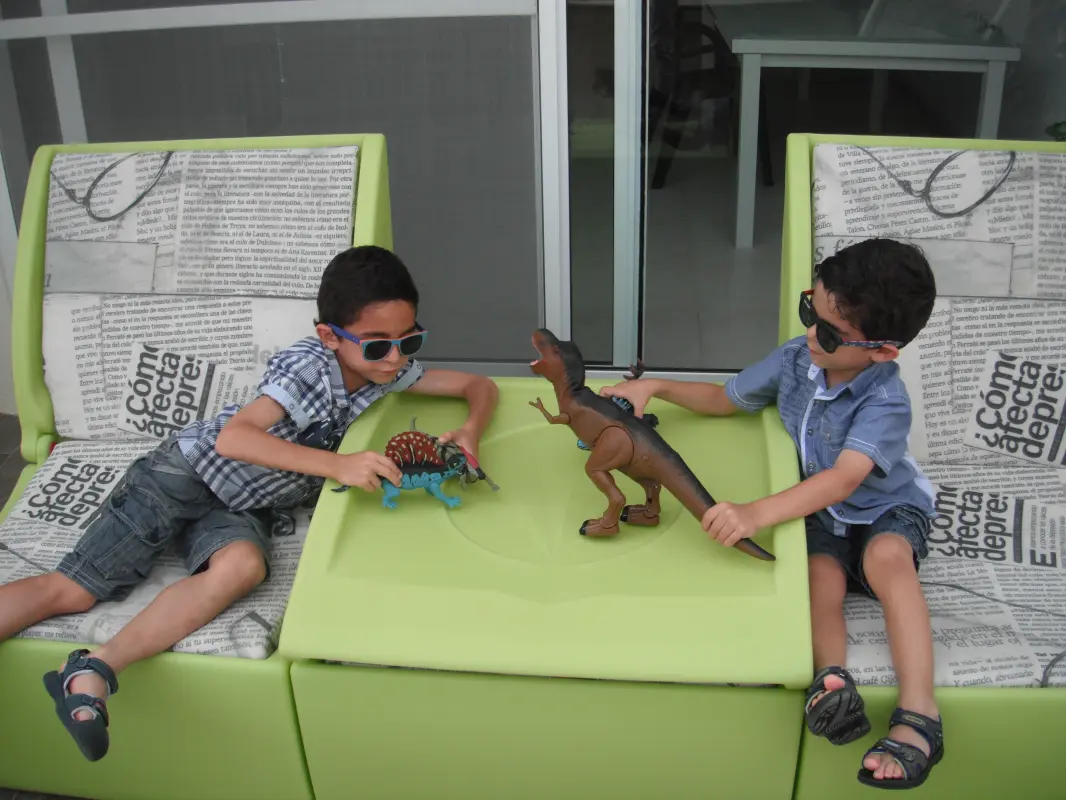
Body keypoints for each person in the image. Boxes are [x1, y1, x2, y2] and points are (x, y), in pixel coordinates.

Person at [0, 245, 499, 762]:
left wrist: (470, 431)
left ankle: (92, 671)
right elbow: (234, 440)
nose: (397, 358)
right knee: (74, 592)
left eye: (410, 339)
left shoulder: (389, 371)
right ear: (331, 336)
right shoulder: (307, 367)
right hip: (184, 476)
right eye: (378, 347)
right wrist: (339, 465)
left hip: (244, 503)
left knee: (242, 568)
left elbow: (478, 385)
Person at [601, 238, 941, 790]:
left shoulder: (885, 401)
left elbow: (843, 479)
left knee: (887, 559)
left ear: (882, 352)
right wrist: (656, 386)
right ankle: (832, 682)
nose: (811, 335)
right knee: (818, 576)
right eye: (812, 310)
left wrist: (756, 514)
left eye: (830, 332)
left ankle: (920, 715)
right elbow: (728, 399)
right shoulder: (794, 358)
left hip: (882, 509)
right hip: (821, 518)